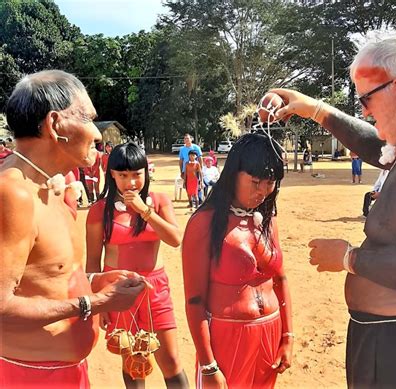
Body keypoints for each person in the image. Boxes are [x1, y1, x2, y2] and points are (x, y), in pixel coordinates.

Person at [270, 31, 396, 388]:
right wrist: (315, 109)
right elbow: (379, 147)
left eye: (366, 98)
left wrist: (347, 257)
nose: (363, 109)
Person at [0, 69, 148, 388]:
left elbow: (43, 275)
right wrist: (94, 303)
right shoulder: (13, 193)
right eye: (88, 118)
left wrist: (94, 282)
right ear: (56, 125)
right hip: (29, 377)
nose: (96, 133)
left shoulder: (48, 184)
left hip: (63, 372)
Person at [182, 132, 293, 389]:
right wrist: (208, 365)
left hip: (269, 333)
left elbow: (280, 279)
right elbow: (195, 301)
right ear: (233, 175)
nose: (263, 191)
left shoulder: (267, 220)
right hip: (226, 337)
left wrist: (287, 336)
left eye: (270, 183)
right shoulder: (204, 223)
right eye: (255, 182)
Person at [86, 142, 189, 389]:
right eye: (123, 175)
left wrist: (145, 211)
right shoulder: (100, 211)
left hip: (155, 288)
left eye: (136, 174)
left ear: (146, 171)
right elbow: (92, 261)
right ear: (111, 174)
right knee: (133, 361)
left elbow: (175, 239)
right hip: (119, 290)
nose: (130, 182)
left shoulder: (159, 201)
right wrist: (100, 304)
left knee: (171, 360)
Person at [179, 133, 203, 205]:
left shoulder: (196, 147)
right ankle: (191, 202)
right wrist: (181, 171)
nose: (186, 140)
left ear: (191, 139)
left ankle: (198, 201)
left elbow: (200, 158)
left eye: (187, 138)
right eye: (185, 138)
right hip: (186, 169)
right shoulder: (182, 149)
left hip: (196, 169)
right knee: (188, 187)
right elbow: (181, 160)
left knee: (197, 186)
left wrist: (200, 169)